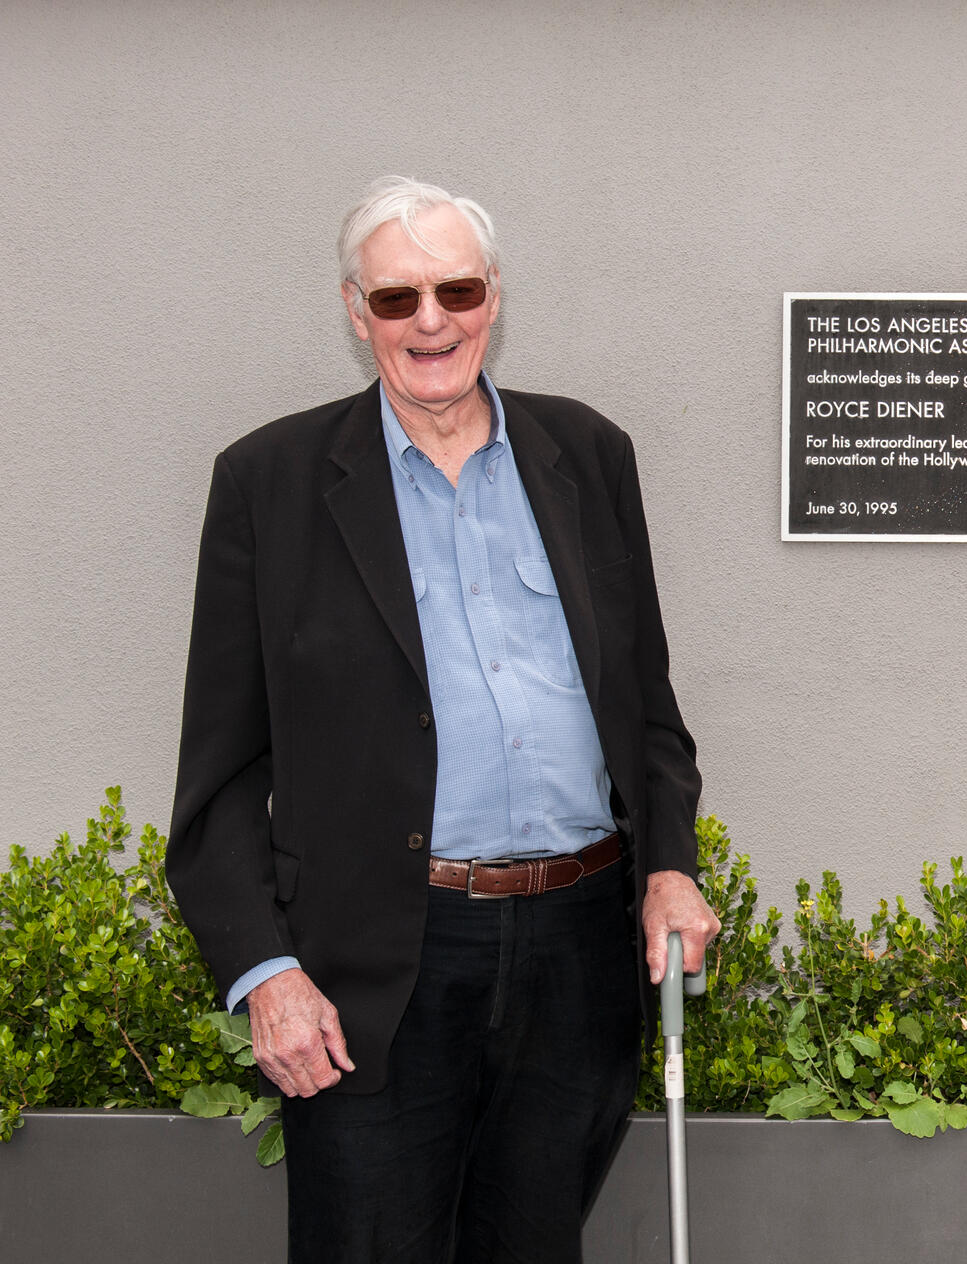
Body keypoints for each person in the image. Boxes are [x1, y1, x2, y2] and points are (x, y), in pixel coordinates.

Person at [167, 176, 720, 1263]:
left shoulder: (589, 456)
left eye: (456, 288)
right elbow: (222, 774)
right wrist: (266, 974)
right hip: (381, 966)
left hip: (576, 953)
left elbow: (646, 706)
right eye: (396, 298)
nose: (431, 320)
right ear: (352, 307)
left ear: (495, 296)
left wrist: (667, 863)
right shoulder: (268, 483)